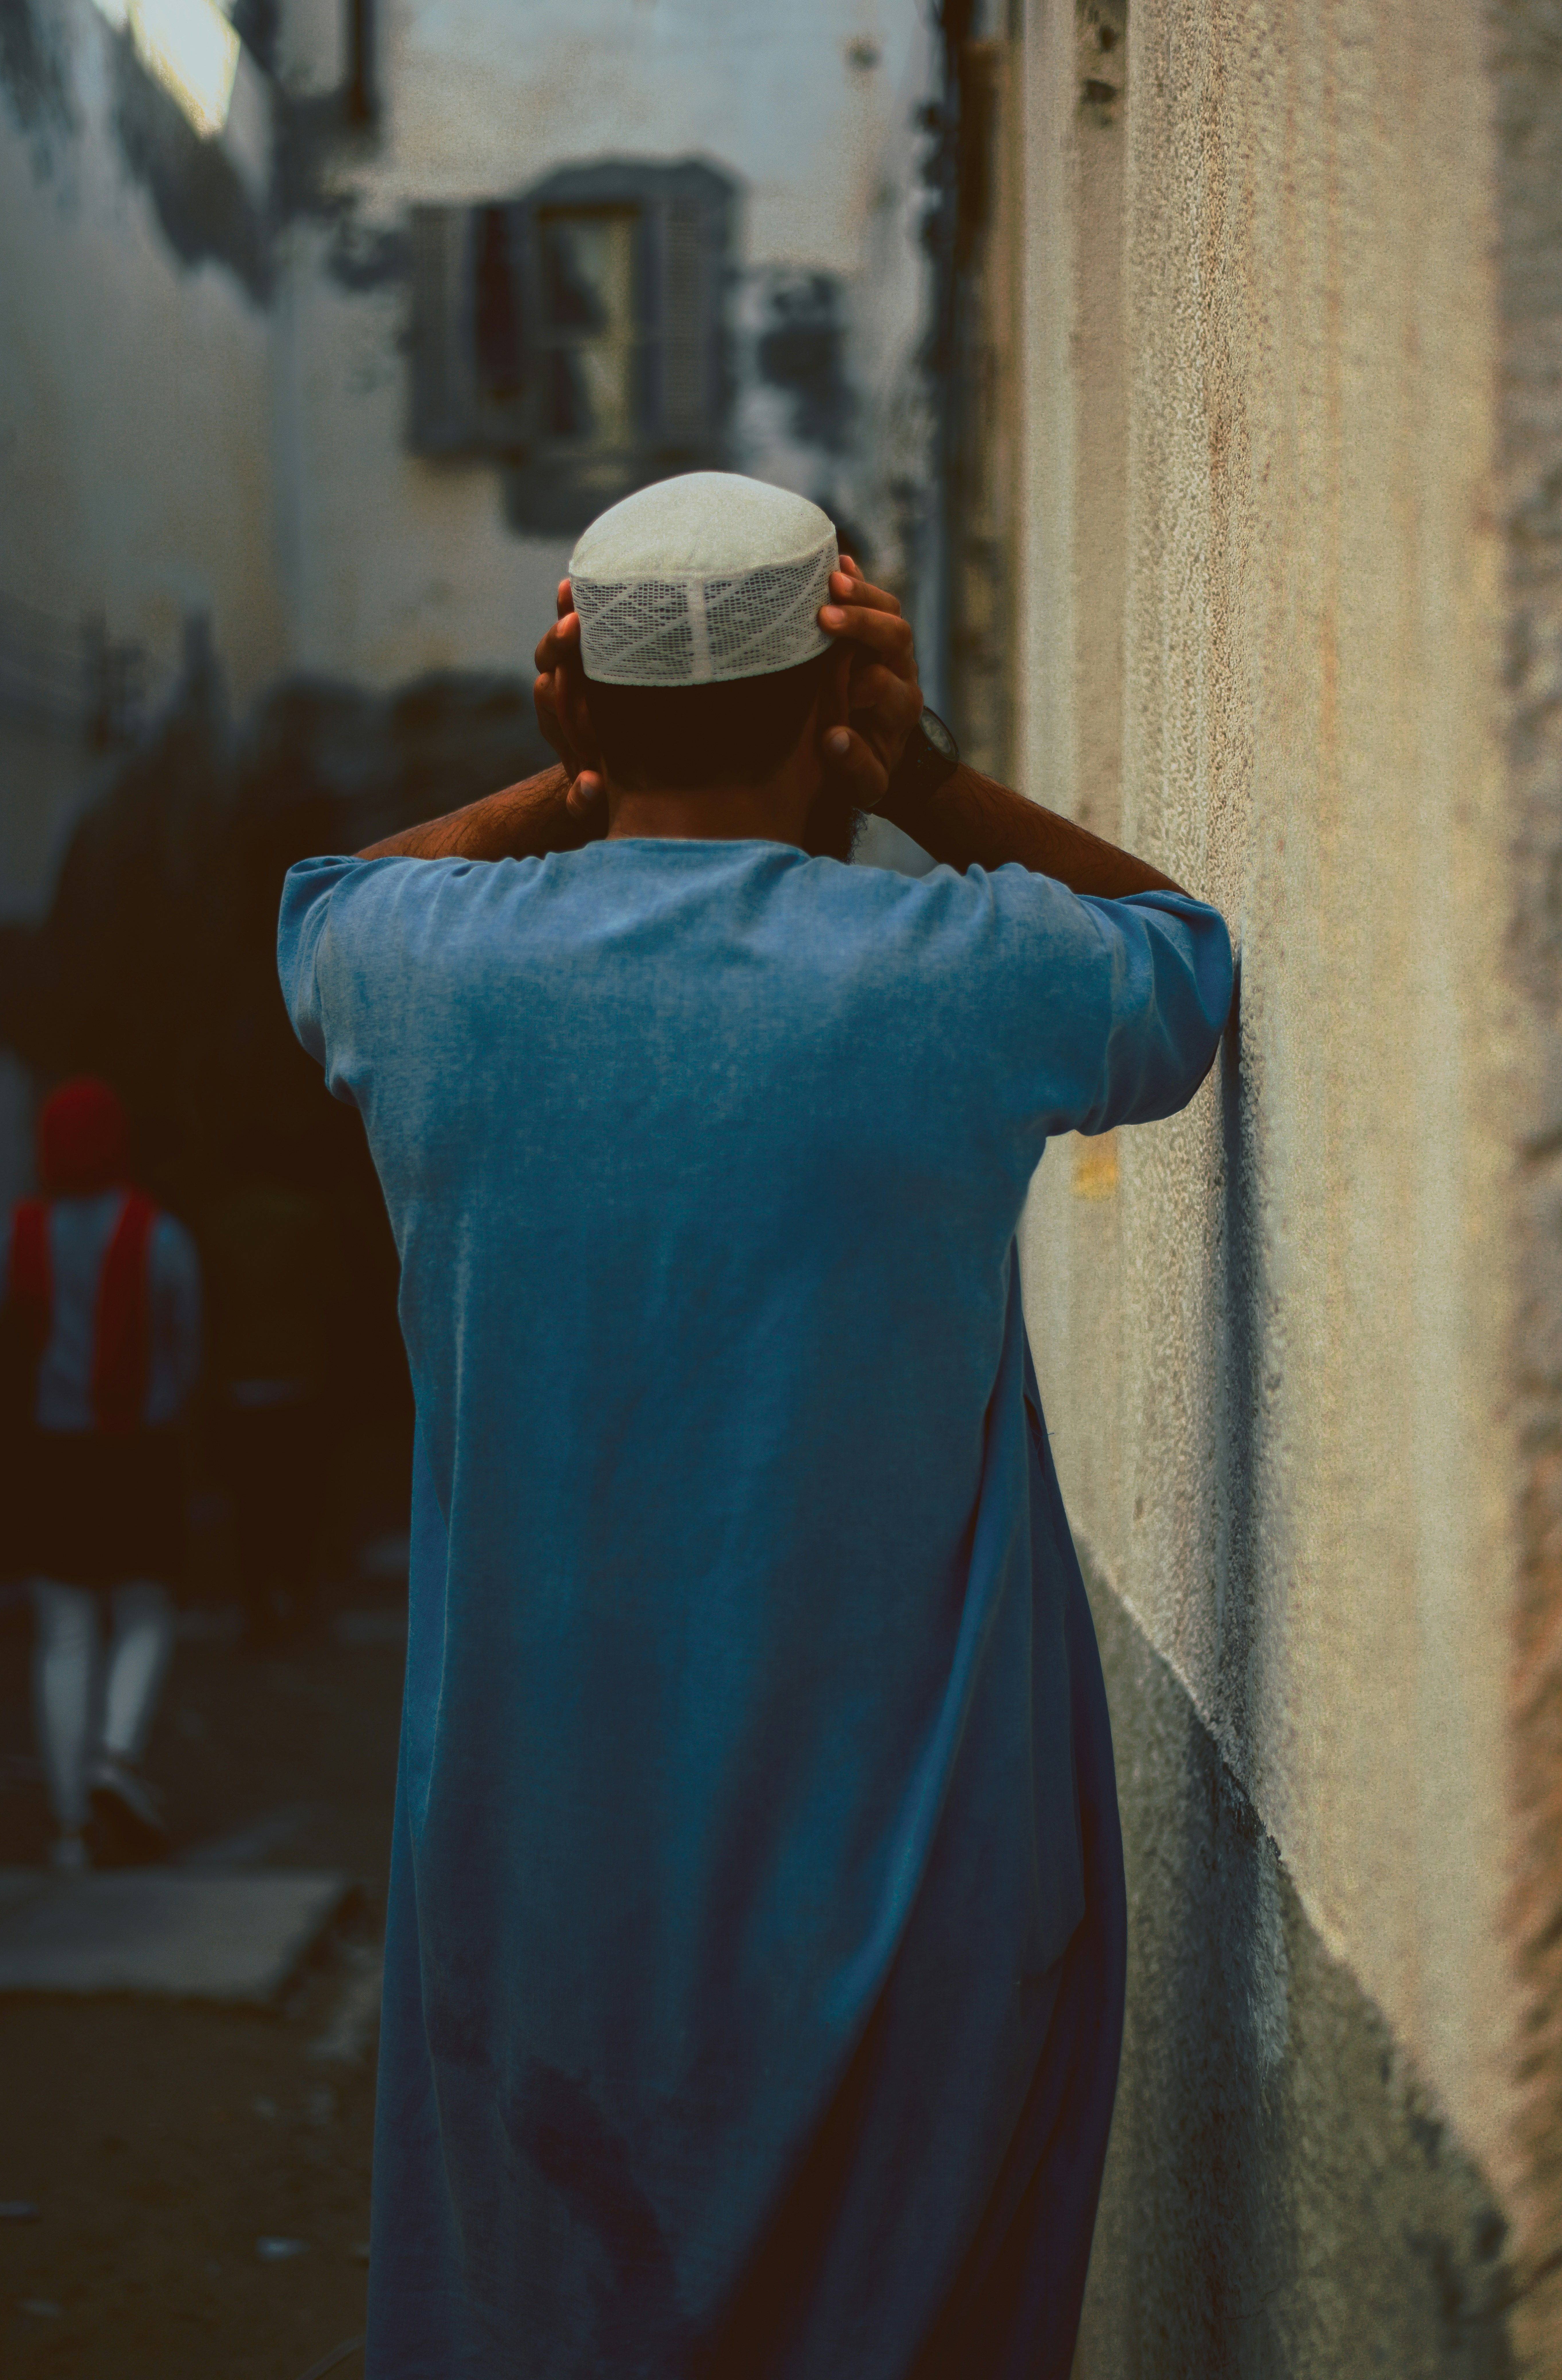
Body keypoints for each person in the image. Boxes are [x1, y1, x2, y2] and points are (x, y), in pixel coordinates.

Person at [276, 473, 1233, 2379]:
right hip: (907, 1886)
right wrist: (916, 779)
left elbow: (325, 897)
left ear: (575, 700)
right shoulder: (960, 977)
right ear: (834, 697)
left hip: (537, 1879)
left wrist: (574, 782)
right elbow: (1182, 954)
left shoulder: (423, 973)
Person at [0, 1078, 202, 1870]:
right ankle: (117, 1757)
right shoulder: (160, 1234)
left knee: (62, 1637)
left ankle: (69, 1828)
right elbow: (186, 1345)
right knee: (146, 1613)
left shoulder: (22, 1232)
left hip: (51, 1458)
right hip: (136, 1452)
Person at [205, 1139, 350, 1642]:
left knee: (250, 1496)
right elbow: (336, 1296)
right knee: (299, 1493)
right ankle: (296, 1593)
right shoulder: (307, 1217)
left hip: (239, 1379)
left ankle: (256, 1600)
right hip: (300, 1375)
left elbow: (210, 1305)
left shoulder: (219, 1222)